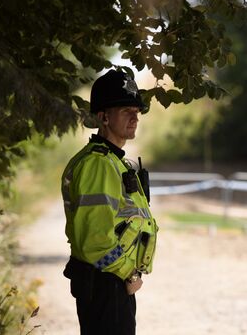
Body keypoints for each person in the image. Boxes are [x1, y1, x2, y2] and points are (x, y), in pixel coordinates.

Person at [61, 70, 158, 335]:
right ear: (103, 117)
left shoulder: (113, 161)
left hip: (110, 282)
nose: (135, 117)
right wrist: (129, 273)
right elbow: (95, 240)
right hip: (107, 282)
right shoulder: (98, 165)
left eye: (136, 110)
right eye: (126, 110)